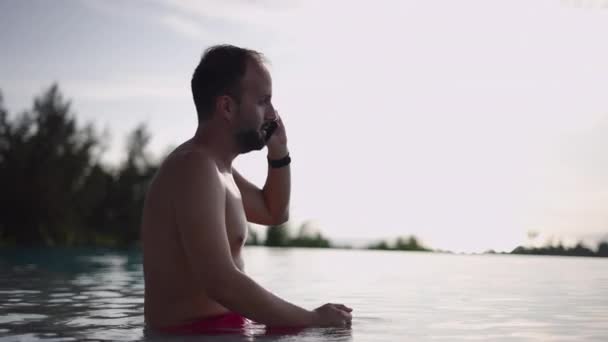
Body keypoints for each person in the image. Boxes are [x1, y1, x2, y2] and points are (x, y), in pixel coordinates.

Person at [141, 44, 353, 335]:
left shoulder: (219, 168)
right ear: (227, 107)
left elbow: (274, 212)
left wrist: (279, 151)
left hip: (225, 330)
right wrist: (311, 319)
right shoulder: (194, 168)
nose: (273, 114)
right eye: (263, 101)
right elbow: (219, 281)